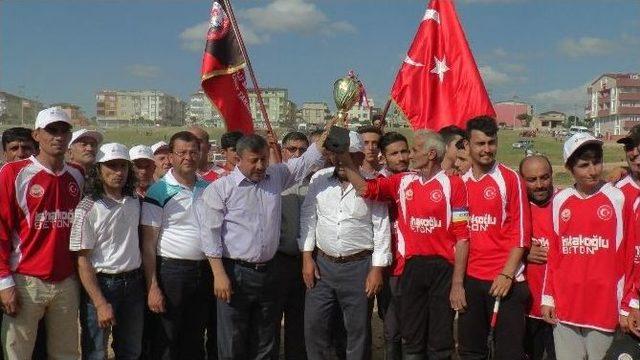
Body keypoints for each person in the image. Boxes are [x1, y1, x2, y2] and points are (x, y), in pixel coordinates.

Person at [197, 129, 327, 359]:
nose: (259, 166)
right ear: (238, 160)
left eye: (263, 159)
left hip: (269, 272)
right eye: (253, 160)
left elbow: (307, 160)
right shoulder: (220, 189)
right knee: (233, 338)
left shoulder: (276, 176)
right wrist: (219, 274)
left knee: (266, 336)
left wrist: (332, 127)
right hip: (234, 273)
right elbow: (210, 235)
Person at [340, 130, 470, 359]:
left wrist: (458, 283)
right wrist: (344, 158)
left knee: (439, 340)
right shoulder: (404, 181)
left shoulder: (454, 185)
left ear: (431, 154)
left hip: (443, 270)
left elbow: (462, 237)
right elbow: (365, 189)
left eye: (415, 150)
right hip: (412, 269)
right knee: (411, 336)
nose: (410, 155)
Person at [541, 133, 637, 359]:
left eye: (597, 162)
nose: (593, 171)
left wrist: (628, 305)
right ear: (569, 168)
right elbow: (553, 255)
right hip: (565, 309)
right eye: (584, 165)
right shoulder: (560, 201)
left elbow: (630, 255)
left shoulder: (618, 198)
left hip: (604, 309)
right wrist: (548, 298)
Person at [0, 107, 84, 359]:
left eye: (63, 130)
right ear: (36, 134)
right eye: (51, 130)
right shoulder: (13, 173)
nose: (58, 136)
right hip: (26, 280)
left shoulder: (77, 175)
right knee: (17, 354)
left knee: (67, 353)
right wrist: (4, 281)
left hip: (66, 281)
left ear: (70, 136)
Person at [300, 131, 392, 360]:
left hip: (359, 268)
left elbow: (381, 229)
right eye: (337, 155)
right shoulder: (318, 180)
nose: (341, 160)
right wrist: (307, 258)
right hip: (322, 266)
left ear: (360, 157)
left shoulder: (373, 186)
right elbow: (309, 218)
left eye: (348, 155)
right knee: (315, 328)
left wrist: (377, 270)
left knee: (357, 331)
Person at [457, 116, 531, 360]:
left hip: (504, 280)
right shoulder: (459, 183)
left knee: (508, 353)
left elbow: (521, 234)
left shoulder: (510, 179)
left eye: (491, 143)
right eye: (480, 144)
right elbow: (459, 236)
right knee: (470, 351)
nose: (486, 149)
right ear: (467, 145)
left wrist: (507, 274)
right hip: (471, 280)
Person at [70, 143, 144, 360]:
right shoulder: (87, 208)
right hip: (102, 285)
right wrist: (100, 303)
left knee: (131, 351)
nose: (118, 172)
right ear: (99, 170)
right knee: (96, 352)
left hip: (133, 285)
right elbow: (82, 260)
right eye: (111, 166)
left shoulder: (134, 201)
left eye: (123, 166)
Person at [141, 132, 212, 359]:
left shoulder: (208, 188)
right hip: (171, 272)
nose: (188, 158)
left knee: (194, 337)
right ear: (171, 156)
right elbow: (148, 244)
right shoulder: (159, 191)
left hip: (203, 272)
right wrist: (153, 287)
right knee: (167, 337)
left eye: (193, 152)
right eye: (182, 153)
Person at [369, 131, 410, 359]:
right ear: (383, 157)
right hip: (389, 267)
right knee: (392, 329)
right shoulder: (377, 183)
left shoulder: (419, 179)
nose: (401, 157)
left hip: (414, 266)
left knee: (414, 327)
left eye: (404, 151)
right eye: (394, 153)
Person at [272, 131, 311, 360]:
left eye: (302, 150)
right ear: (282, 150)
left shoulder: (315, 183)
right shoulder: (272, 182)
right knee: (272, 321)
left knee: (300, 322)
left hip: (306, 262)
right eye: (292, 149)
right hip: (278, 261)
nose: (297, 154)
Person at [519, 155, 556, 360]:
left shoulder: (564, 201)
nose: (540, 185)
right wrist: (523, 252)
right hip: (525, 308)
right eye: (532, 180)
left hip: (559, 307)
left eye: (545, 177)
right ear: (521, 179)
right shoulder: (515, 206)